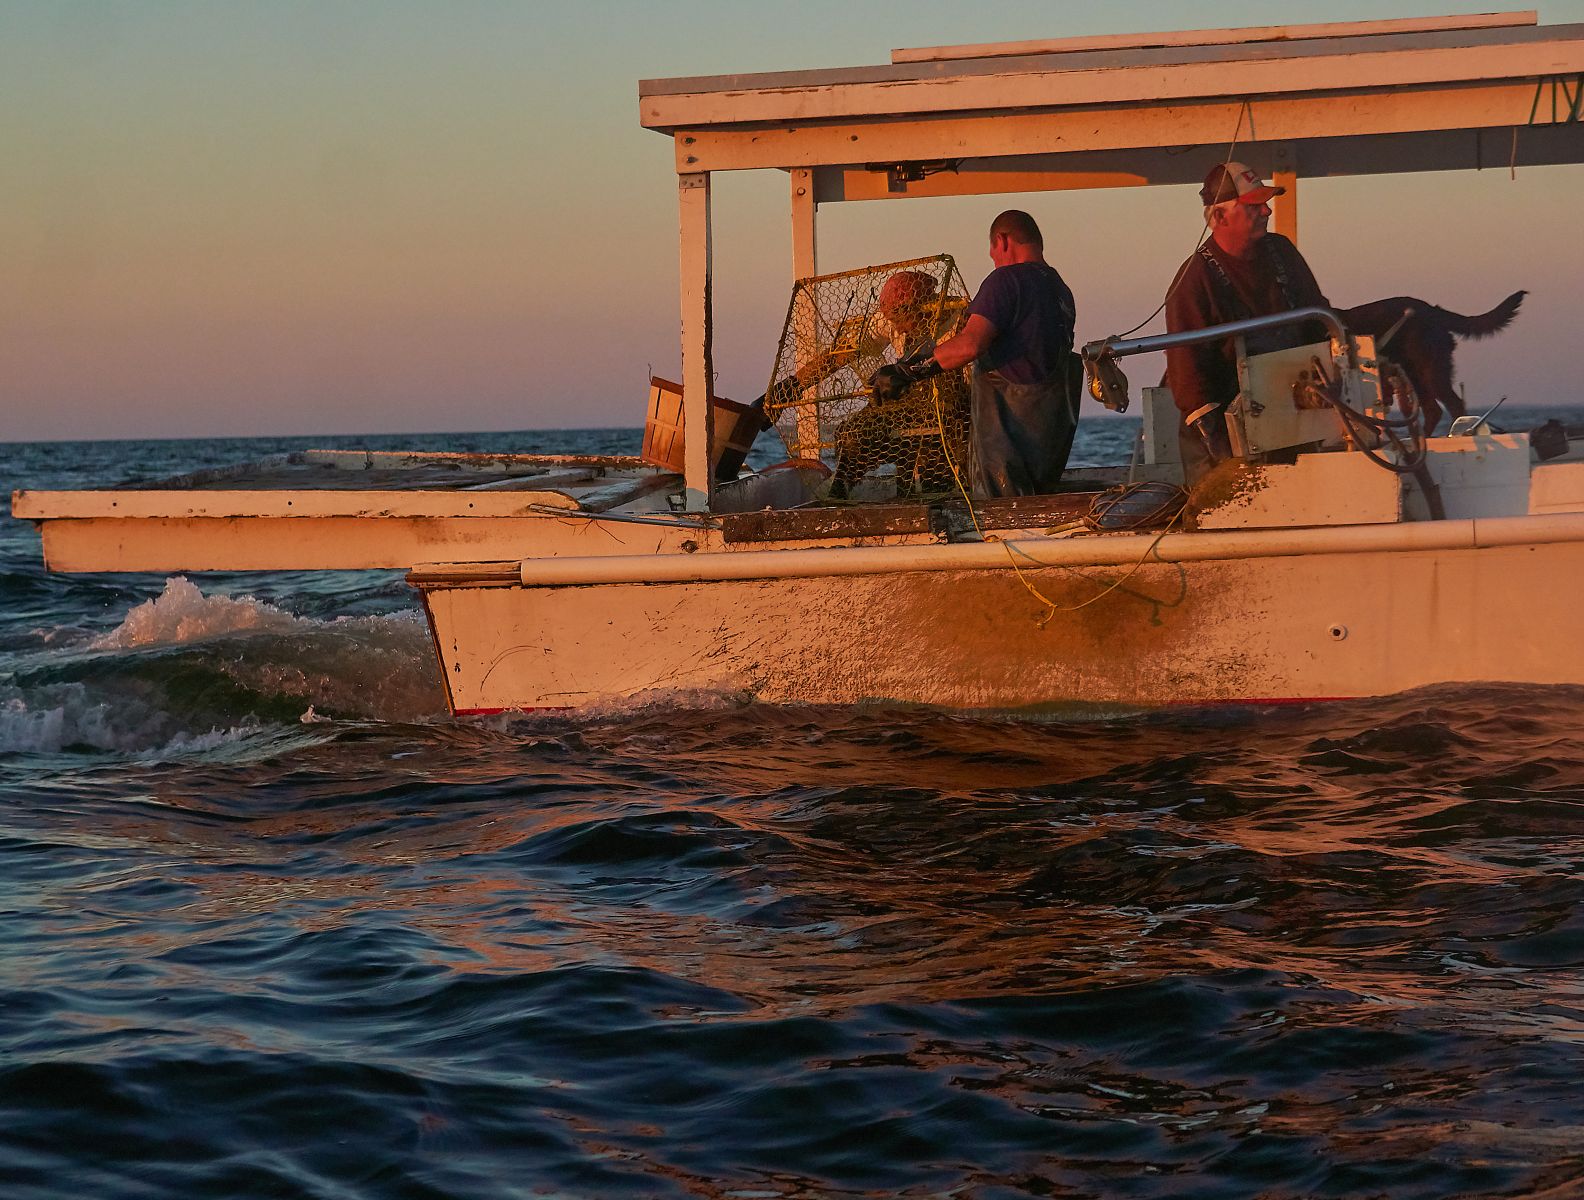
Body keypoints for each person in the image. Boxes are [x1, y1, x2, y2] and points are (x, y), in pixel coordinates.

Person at [870, 210, 1078, 497]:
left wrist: (907, 370)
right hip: (1047, 451)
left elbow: (970, 344)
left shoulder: (1005, 280)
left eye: (992, 251)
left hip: (1007, 457)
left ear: (1002, 241)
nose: (993, 259)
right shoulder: (1059, 288)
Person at [1164, 161, 1331, 481]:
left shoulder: (1282, 251)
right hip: (1223, 437)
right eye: (1254, 206)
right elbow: (1189, 385)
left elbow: (1319, 320)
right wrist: (1227, 457)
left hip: (1291, 419)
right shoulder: (1193, 281)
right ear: (1218, 217)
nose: (1267, 212)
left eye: (1265, 203)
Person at [829, 269, 970, 498]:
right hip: (907, 405)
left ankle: (948, 495)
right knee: (853, 433)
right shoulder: (892, 319)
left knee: (941, 466)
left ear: (927, 308)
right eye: (893, 321)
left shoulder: (962, 317)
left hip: (953, 410)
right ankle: (840, 492)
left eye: (903, 320)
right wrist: (793, 385)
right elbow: (840, 354)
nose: (899, 329)